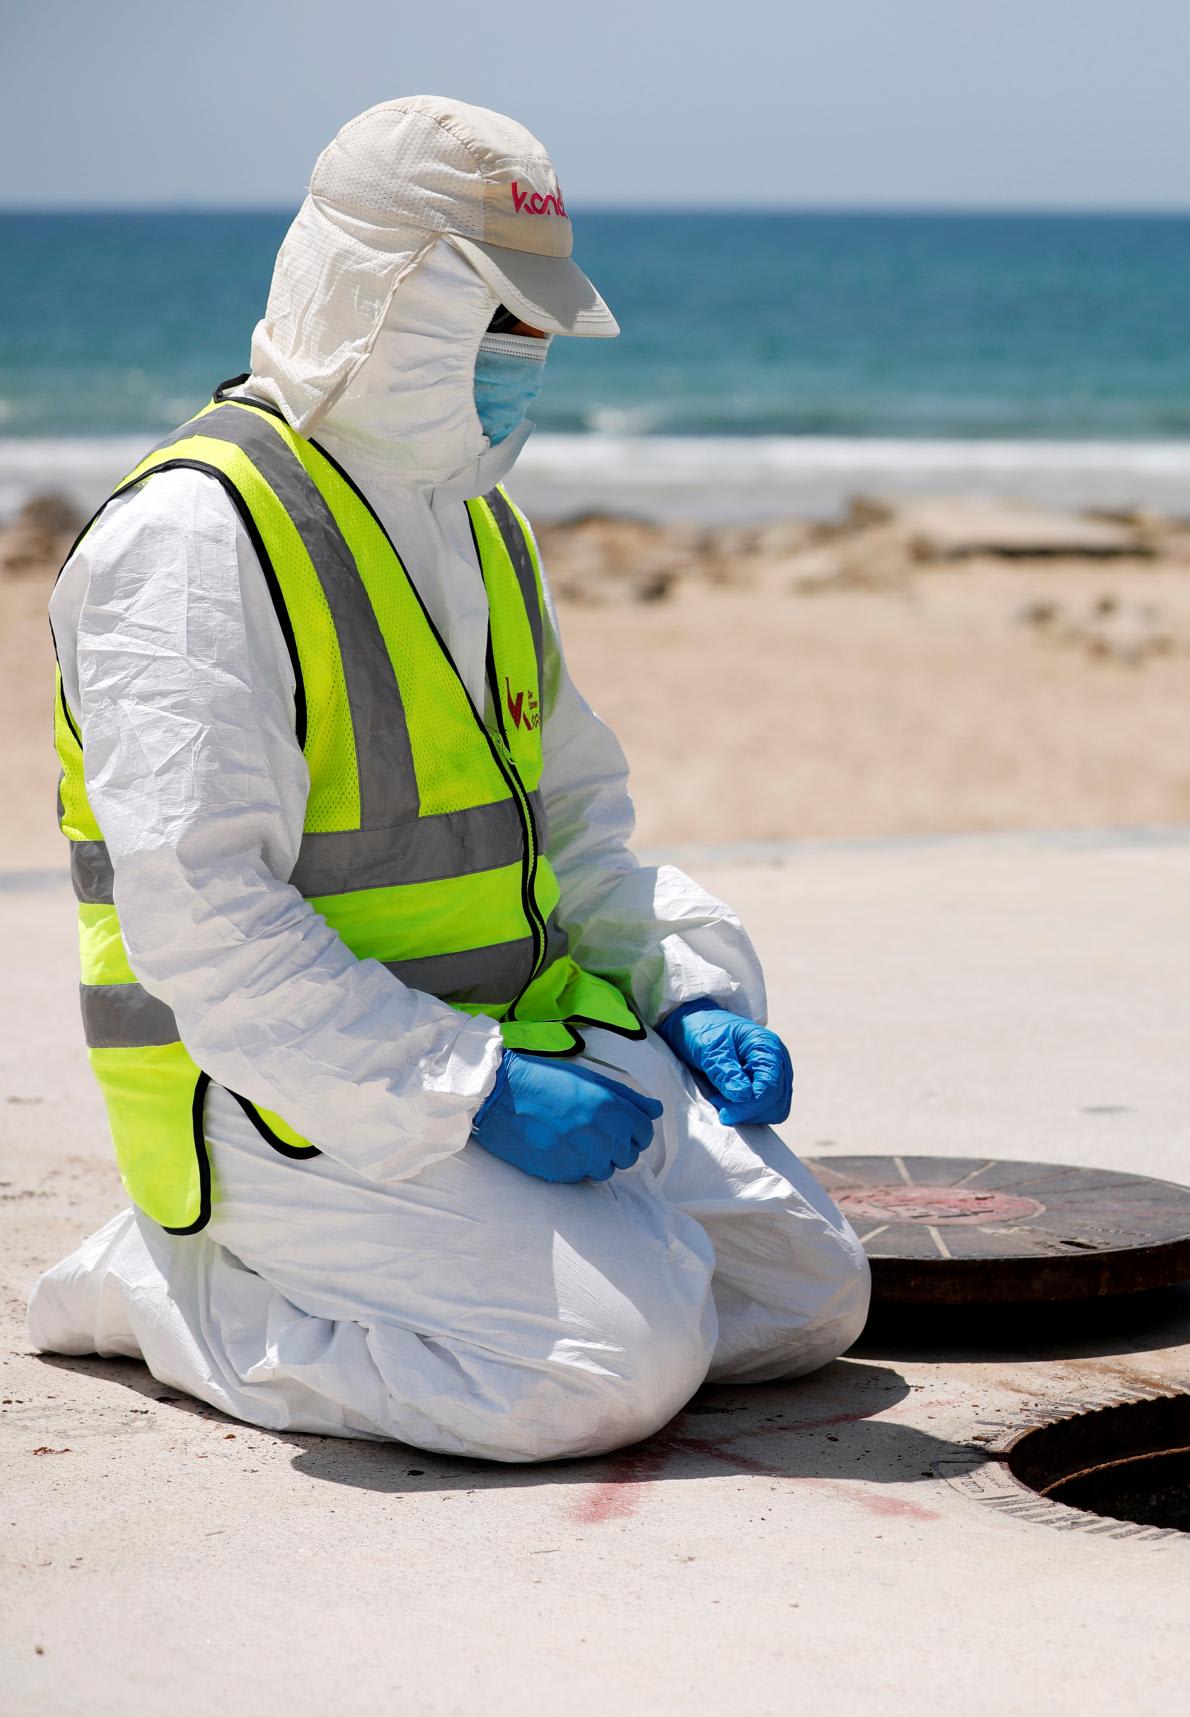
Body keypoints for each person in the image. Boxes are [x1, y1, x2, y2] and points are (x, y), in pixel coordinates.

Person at [28, 97, 868, 1462]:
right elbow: (205, 926)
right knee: (613, 1364)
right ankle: (167, 1285)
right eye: (501, 325)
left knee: (804, 1295)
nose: (526, 363)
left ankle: (502, 1257)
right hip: (279, 1097)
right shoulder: (194, 540)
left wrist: (687, 983)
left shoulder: (477, 527)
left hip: (501, 1051)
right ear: (383, 301)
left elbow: (576, 833)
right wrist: (468, 1091)